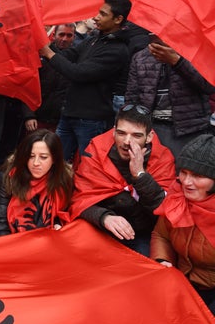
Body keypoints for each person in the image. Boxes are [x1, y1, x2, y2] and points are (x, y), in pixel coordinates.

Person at [70, 104, 175, 256]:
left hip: (143, 233)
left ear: (149, 136)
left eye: (136, 135)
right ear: (113, 131)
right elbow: (78, 200)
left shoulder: (163, 159)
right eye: (121, 133)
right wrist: (104, 217)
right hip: (101, 229)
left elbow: (165, 209)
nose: (127, 141)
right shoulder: (95, 152)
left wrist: (140, 175)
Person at [39, 0, 132, 160]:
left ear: (118, 19)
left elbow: (78, 73)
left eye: (103, 14)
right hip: (69, 114)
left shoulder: (117, 50)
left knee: (88, 168)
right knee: (57, 163)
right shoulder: (94, 39)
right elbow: (67, 56)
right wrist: (45, 42)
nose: (96, 17)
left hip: (91, 120)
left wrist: (49, 53)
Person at [151, 134, 215, 314]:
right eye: (184, 172)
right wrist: (163, 260)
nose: (186, 182)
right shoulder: (177, 197)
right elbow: (161, 235)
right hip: (182, 281)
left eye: (198, 176)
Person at [125, 39, 215, 158]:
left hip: (189, 128)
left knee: (183, 171)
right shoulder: (141, 57)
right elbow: (132, 96)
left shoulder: (196, 52)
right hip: (151, 127)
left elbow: (208, 86)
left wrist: (177, 61)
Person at [0, 129, 73, 236]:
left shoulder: (64, 180)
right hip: (13, 239)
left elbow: (63, 212)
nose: (36, 163)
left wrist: (57, 223)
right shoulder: (10, 176)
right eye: (31, 156)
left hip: (47, 239)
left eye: (43, 157)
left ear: (54, 159)